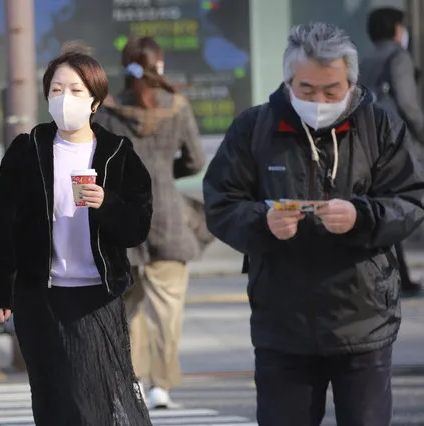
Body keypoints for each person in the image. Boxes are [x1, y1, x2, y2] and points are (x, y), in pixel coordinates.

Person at [203, 23, 424, 426]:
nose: (319, 100)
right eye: (306, 89)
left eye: (331, 90)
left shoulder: (380, 126)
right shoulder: (253, 128)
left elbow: (412, 198)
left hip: (364, 322)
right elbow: (220, 202)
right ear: (288, 81)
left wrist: (363, 216)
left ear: (351, 83)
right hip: (282, 326)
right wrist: (261, 222)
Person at [0, 46, 154, 425]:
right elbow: (1, 226)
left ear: (95, 101)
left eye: (76, 90)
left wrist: (106, 203)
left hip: (96, 296)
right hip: (39, 298)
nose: (65, 99)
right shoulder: (26, 152)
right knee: (51, 399)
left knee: (91, 402)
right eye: (56, 90)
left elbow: (137, 228)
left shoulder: (116, 153)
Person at [95, 36, 205, 408]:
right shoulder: (177, 108)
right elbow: (195, 161)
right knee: (167, 311)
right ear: (160, 67)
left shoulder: (107, 111)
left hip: (124, 220)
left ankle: (135, 379)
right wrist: (162, 174)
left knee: (129, 309)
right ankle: (163, 385)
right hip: (169, 220)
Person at [360, 7, 424, 293]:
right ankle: (403, 278)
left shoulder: (363, 59)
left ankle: (401, 278)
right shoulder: (398, 57)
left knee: (388, 209)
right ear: (397, 30)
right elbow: (408, 104)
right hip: (400, 144)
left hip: (371, 143)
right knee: (407, 206)